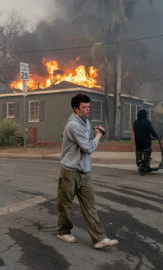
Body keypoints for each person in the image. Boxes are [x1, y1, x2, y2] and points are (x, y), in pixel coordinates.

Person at [57, 94, 119, 249]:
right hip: (70, 171)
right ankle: (63, 231)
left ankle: (99, 239)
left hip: (85, 171)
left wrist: (94, 134)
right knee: (65, 204)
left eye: (89, 107)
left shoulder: (86, 123)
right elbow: (88, 148)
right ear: (76, 109)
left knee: (90, 205)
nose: (88, 110)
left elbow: (86, 145)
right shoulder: (73, 125)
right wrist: (99, 135)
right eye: (84, 107)